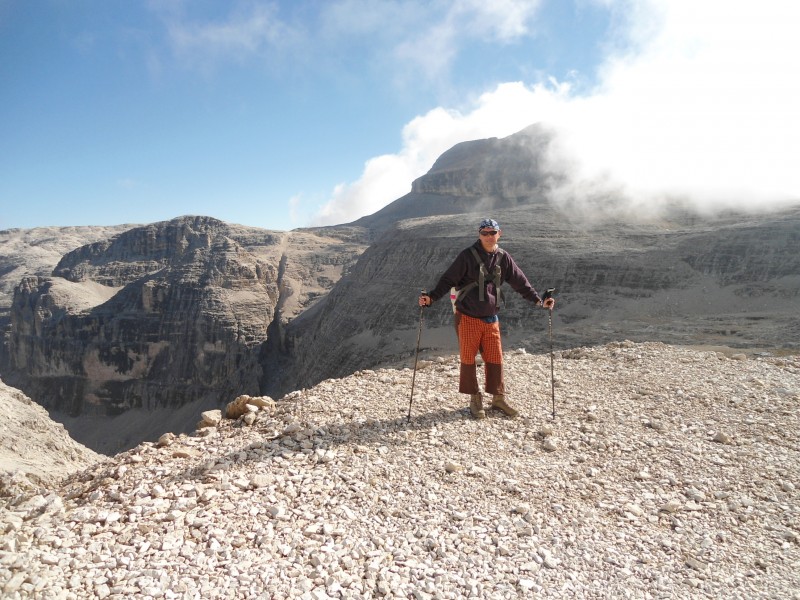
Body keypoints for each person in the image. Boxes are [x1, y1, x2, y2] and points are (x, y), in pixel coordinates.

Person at [418, 218, 555, 419]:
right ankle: (475, 399)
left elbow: (520, 282)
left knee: (495, 358)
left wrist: (538, 301)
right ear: (479, 235)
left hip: (491, 318)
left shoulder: (503, 257)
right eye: (485, 233)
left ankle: (498, 399)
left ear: (500, 233)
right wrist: (431, 298)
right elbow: (448, 280)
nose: (489, 237)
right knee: (468, 359)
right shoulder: (467, 256)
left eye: (493, 233)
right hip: (468, 317)